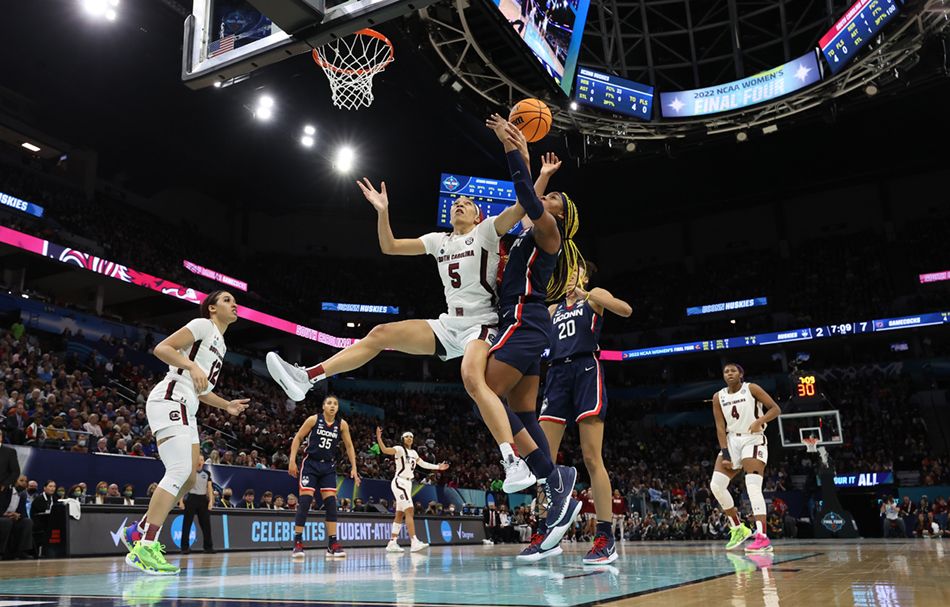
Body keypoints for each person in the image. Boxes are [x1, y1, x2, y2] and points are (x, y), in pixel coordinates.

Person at [265, 163, 538, 492]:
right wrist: (383, 211)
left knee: (471, 379)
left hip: (481, 324)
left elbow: (524, 203)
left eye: (468, 202)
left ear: (479, 216)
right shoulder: (439, 240)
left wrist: (532, 168)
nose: (459, 203)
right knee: (380, 334)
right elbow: (390, 246)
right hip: (449, 323)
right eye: (456, 201)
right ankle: (305, 378)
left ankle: (513, 462)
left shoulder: (488, 231)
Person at [469, 115, 583, 561]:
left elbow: (523, 196)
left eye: (552, 197)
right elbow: (530, 196)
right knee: (521, 412)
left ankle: (555, 482)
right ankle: (558, 485)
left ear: (559, 215)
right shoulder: (539, 232)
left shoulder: (549, 232)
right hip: (530, 324)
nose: (544, 198)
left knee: (484, 391)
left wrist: (511, 148)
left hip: (522, 318)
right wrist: (535, 166)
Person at [120, 291, 250, 575]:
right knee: (179, 471)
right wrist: (190, 364)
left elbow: (202, 389)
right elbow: (163, 348)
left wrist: (226, 405)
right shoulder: (203, 325)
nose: (234, 303)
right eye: (227, 300)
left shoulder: (222, 344)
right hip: (170, 397)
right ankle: (145, 546)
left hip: (189, 407)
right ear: (212, 308)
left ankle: (138, 530)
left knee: (191, 476)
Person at [534, 260, 632, 563]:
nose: (569, 274)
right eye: (566, 270)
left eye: (575, 269)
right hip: (556, 375)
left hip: (586, 369)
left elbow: (625, 310)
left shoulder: (594, 296)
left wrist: (588, 293)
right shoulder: (552, 309)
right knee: (541, 459)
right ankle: (545, 530)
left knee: (591, 456)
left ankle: (605, 535)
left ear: (585, 276)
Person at [709, 363, 781, 553]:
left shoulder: (751, 388)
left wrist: (760, 421)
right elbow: (719, 428)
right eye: (726, 371)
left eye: (733, 370)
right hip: (732, 440)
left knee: (752, 485)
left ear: (741, 374)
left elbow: (775, 409)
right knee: (716, 485)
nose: (729, 373)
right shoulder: (718, 397)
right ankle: (738, 528)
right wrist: (725, 454)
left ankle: (762, 537)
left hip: (753, 439)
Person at [288, 395, 360, 559]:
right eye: (329, 403)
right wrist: (292, 460)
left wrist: (354, 468)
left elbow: (349, 446)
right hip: (311, 464)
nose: (332, 406)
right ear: (323, 406)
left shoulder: (341, 424)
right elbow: (298, 437)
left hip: (328, 466)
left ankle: (332, 543)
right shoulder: (313, 420)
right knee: (305, 502)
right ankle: (297, 542)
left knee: (331, 504)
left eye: (335, 403)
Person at [375, 426, 449, 553]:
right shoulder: (399, 449)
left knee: (400, 514)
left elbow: (423, 464)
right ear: (403, 439)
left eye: (411, 436)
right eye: (407, 436)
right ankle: (414, 541)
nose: (409, 438)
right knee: (410, 510)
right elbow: (385, 450)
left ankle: (392, 542)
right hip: (400, 481)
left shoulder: (414, 453)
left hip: (408, 484)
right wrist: (378, 438)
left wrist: (438, 467)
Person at [180, 454, 214, 554]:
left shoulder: (207, 473)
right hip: (191, 498)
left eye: (202, 460)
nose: (200, 461)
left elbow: (210, 488)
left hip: (203, 499)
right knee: (187, 524)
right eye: (198, 460)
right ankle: (185, 548)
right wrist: (181, 501)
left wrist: (211, 501)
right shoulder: (190, 473)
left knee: (206, 525)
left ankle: (208, 547)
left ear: (204, 462)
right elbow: (183, 487)